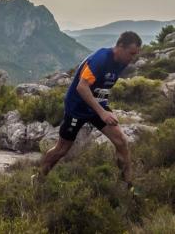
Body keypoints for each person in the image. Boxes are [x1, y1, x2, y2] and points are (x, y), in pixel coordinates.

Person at [34, 31, 142, 190]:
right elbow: (82, 87)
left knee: (121, 141)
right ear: (119, 46)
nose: (132, 58)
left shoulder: (122, 62)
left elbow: (101, 84)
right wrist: (103, 113)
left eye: (135, 54)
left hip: (97, 105)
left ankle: (128, 186)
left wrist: (103, 108)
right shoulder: (100, 59)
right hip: (77, 107)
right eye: (131, 53)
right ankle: (38, 179)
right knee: (62, 149)